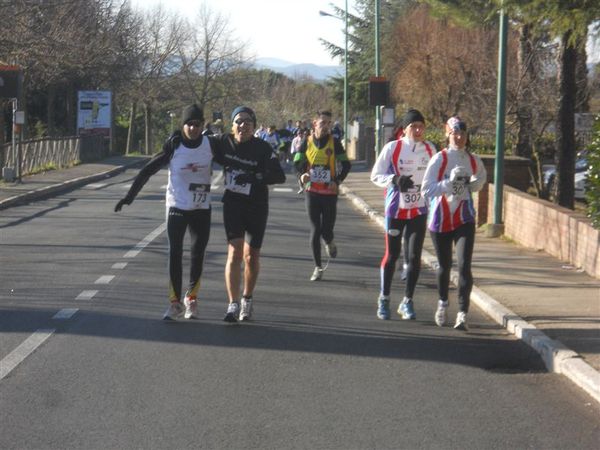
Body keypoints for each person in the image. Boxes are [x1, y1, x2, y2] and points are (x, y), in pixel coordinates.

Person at [114, 104, 215, 321]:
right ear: (183, 125)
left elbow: (235, 156)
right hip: (177, 206)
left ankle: (192, 299)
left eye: (197, 124)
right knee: (175, 253)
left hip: (201, 208)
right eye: (189, 124)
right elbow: (147, 170)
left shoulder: (210, 144)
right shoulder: (174, 146)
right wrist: (129, 197)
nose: (193, 128)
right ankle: (174, 302)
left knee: (197, 254)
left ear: (202, 125)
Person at [209, 106, 286, 322]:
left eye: (248, 122)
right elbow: (195, 139)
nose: (243, 126)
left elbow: (279, 176)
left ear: (254, 126)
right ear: (232, 125)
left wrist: (255, 178)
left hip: (257, 205)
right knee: (234, 253)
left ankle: (247, 299)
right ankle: (232, 303)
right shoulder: (223, 142)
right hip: (233, 203)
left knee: (251, 256)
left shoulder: (262, 148)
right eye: (238, 122)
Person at [421, 116, 487, 331]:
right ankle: (442, 302)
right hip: (440, 217)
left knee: (464, 264)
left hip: (464, 217)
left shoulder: (473, 159)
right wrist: (449, 183)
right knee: (444, 265)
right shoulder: (439, 159)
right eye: (454, 133)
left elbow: (480, 181)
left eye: (462, 134)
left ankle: (462, 313)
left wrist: (473, 183)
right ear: (447, 135)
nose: (458, 137)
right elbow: (427, 190)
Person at [370, 109, 436, 320]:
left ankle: (407, 301)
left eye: (421, 127)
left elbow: (437, 175)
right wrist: (394, 180)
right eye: (413, 127)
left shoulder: (430, 149)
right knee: (392, 255)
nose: (418, 130)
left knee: (415, 257)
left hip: (419, 209)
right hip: (396, 210)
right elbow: (376, 175)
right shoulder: (393, 148)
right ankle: (384, 297)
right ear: (405, 129)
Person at [294, 110, 351, 281]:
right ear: (314, 124)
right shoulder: (307, 141)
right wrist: (301, 176)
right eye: (322, 123)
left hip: (329, 193)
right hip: (312, 191)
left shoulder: (335, 143)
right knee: (315, 229)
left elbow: (346, 164)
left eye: (328, 123)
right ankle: (318, 267)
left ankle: (330, 241)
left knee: (327, 229)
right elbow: (297, 162)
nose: (325, 126)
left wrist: (338, 181)